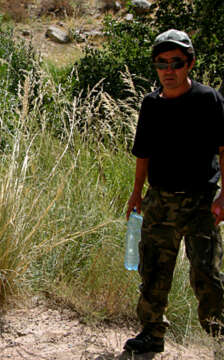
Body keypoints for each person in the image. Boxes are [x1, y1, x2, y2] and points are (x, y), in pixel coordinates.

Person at [124, 29, 224, 355]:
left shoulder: (209, 100)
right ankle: (152, 335)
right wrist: (136, 194)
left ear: (190, 64)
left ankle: (219, 337)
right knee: (153, 270)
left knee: (207, 276)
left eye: (176, 62)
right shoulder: (151, 105)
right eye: (161, 63)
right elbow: (143, 154)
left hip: (201, 203)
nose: (169, 70)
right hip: (160, 201)